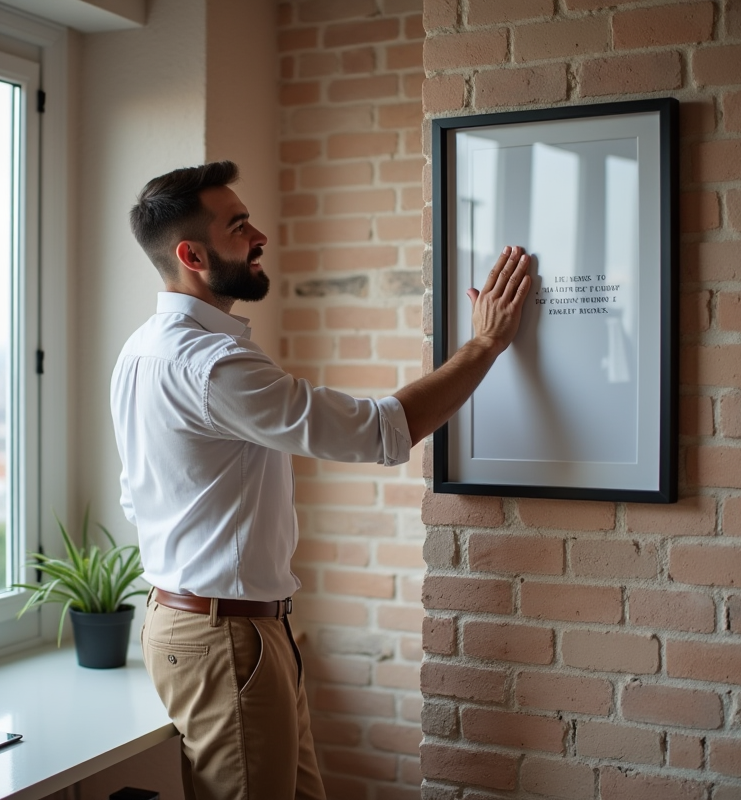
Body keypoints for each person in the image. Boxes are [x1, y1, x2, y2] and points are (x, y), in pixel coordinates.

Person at [111, 161, 532, 800]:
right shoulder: (213, 365)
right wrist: (485, 346)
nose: (260, 237)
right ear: (191, 254)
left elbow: (135, 494)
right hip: (225, 635)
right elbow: (377, 431)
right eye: (239, 226)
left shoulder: (142, 350)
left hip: (220, 626)